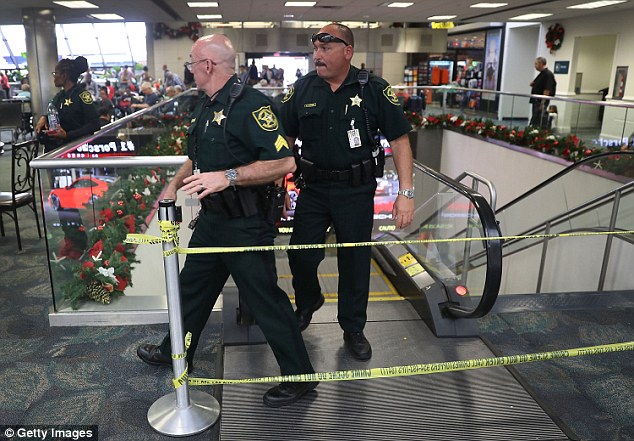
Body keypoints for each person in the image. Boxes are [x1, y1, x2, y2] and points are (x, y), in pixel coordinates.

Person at [136, 33, 317, 408]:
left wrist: (228, 176)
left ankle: (299, 377)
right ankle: (174, 351)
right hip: (214, 222)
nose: (188, 69)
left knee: (265, 300)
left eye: (191, 62)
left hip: (246, 226)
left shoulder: (252, 106)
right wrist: (170, 188)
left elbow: (284, 163)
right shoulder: (207, 105)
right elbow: (195, 155)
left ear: (208, 65)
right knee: (190, 290)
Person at [279, 23, 414, 361]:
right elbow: (283, 140)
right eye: (315, 49)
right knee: (300, 253)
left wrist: (405, 193)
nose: (317, 56)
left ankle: (353, 327)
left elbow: (399, 140)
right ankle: (308, 299)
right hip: (313, 188)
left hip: (356, 192)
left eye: (325, 49)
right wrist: (278, 184)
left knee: (354, 262)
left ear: (347, 52)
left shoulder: (373, 89)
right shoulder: (302, 90)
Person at [35, 56, 100, 153]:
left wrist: (68, 135)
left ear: (64, 75)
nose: (54, 76)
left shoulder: (82, 95)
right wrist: (44, 117)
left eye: (56, 73)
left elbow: (95, 124)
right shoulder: (60, 96)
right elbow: (54, 111)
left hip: (77, 148)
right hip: (59, 149)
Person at [529, 57, 556, 128]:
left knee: (539, 118)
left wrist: (542, 103)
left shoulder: (548, 74)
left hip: (540, 101)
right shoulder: (541, 74)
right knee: (535, 117)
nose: (535, 65)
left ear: (541, 64)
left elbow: (547, 89)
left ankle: (538, 132)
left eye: (536, 64)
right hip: (536, 100)